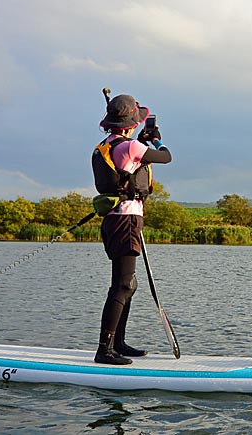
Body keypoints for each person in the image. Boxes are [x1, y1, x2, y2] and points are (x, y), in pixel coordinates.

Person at [91, 93, 172, 365]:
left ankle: (118, 343)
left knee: (129, 285)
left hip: (119, 219)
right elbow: (166, 157)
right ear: (131, 124)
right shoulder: (131, 147)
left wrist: (141, 139)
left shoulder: (110, 143)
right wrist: (156, 138)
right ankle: (105, 350)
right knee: (123, 284)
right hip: (124, 220)